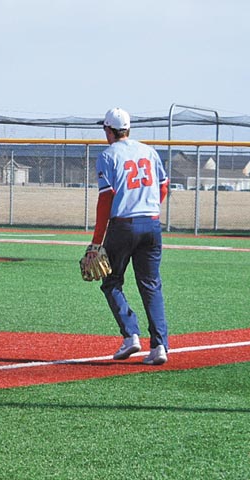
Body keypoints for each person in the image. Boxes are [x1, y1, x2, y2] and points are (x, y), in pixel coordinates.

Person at [85, 108, 170, 365]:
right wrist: (150, 207)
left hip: (123, 226)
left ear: (109, 131)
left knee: (111, 281)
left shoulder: (108, 155)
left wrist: (96, 241)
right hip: (152, 224)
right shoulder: (149, 151)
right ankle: (160, 347)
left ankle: (131, 334)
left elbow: (106, 199)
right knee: (151, 285)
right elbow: (163, 186)